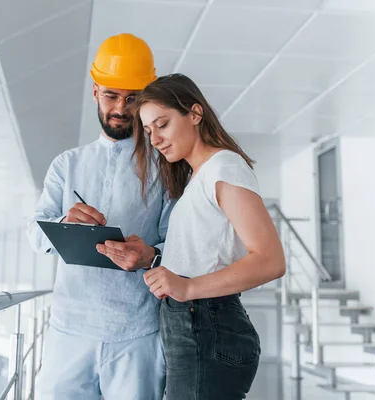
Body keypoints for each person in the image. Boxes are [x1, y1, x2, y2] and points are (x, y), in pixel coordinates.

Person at [26, 33, 172, 400]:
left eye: (133, 98)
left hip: (138, 334)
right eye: (111, 95)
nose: (121, 108)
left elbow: (181, 249)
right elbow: (34, 236)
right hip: (68, 331)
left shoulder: (167, 168)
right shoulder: (66, 165)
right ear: (95, 92)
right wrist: (64, 224)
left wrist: (150, 256)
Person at [132, 73, 286, 400]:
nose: (155, 139)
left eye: (162, 124)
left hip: (206, 327)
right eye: (148, 131)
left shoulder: (224, 168)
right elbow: (203, 256)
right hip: (193, 328)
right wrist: (152, 258)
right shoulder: (198, 178)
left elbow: (271, 261)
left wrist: (187, 287)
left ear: (195, 114)